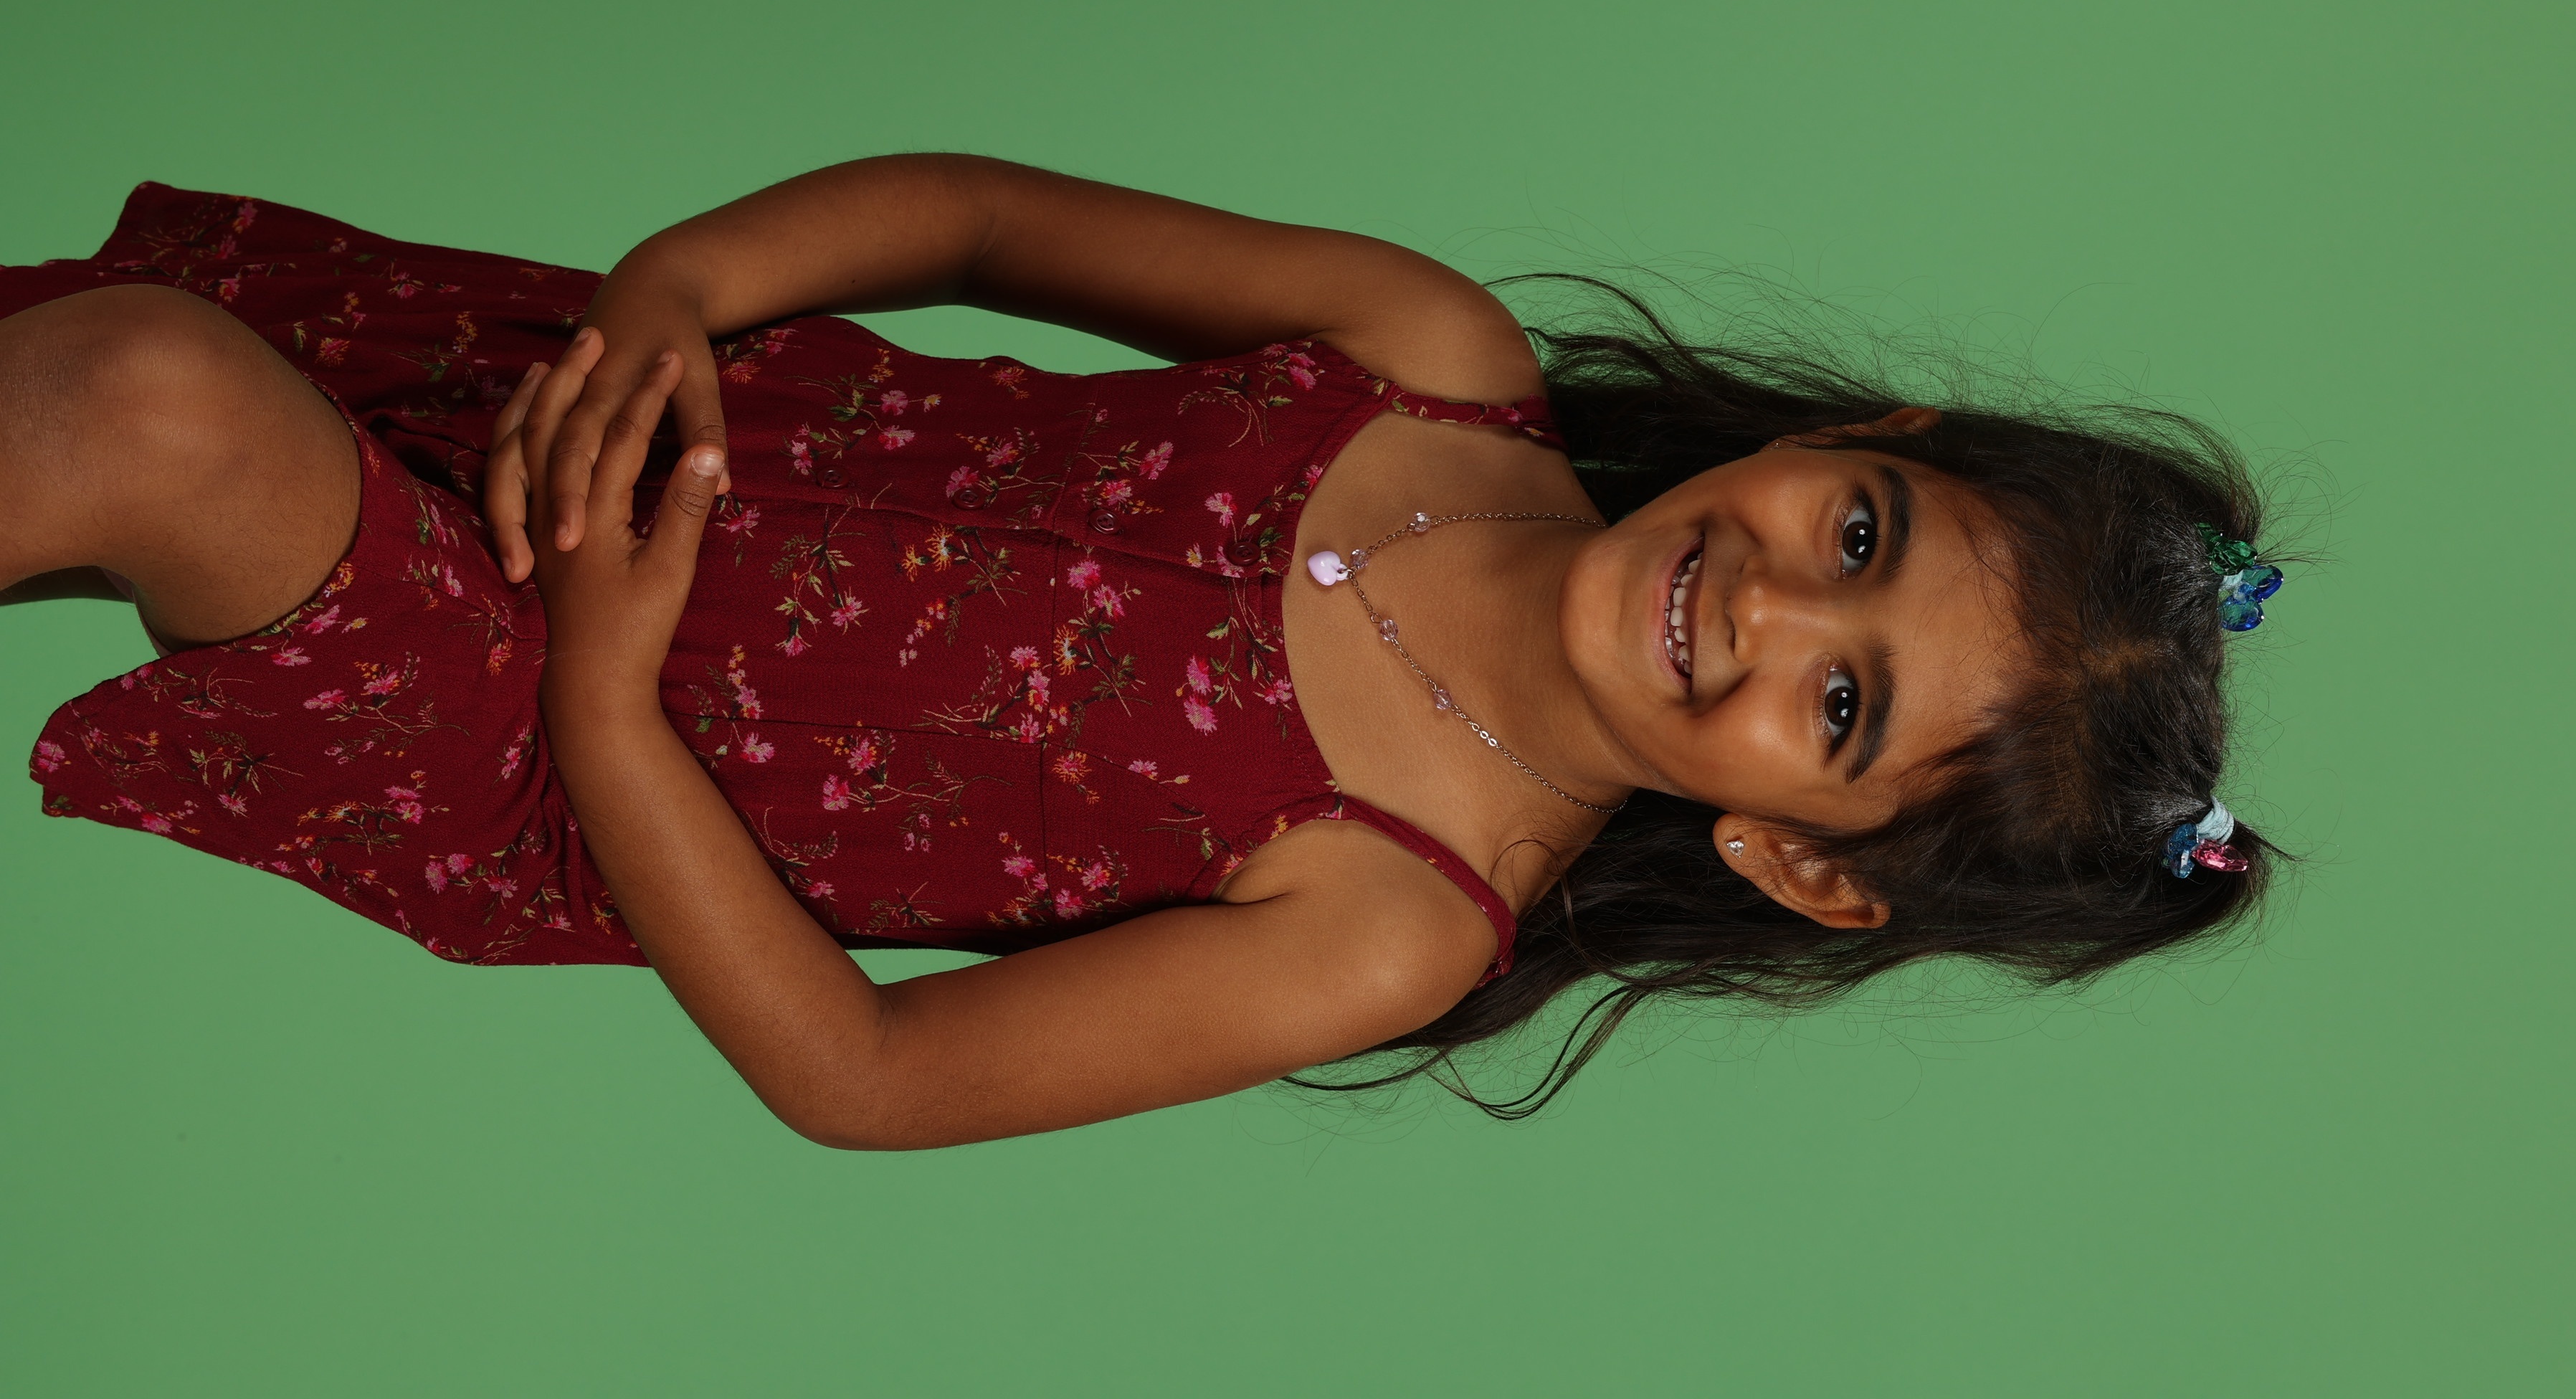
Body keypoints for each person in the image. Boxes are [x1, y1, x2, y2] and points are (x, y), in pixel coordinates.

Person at [0, 156, 2283, 1146]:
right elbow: (985, 219)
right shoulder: (1424, 353)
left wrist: (601, 690)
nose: (1769, 606)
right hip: (571, 405)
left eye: (1842, 708)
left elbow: (869, 1077)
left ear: (1802, 859)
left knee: (151, 406)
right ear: (1864, 439)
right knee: (91, 379)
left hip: (534, 731)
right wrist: (683, 289)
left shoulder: (1393, 913)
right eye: (1859, 536)